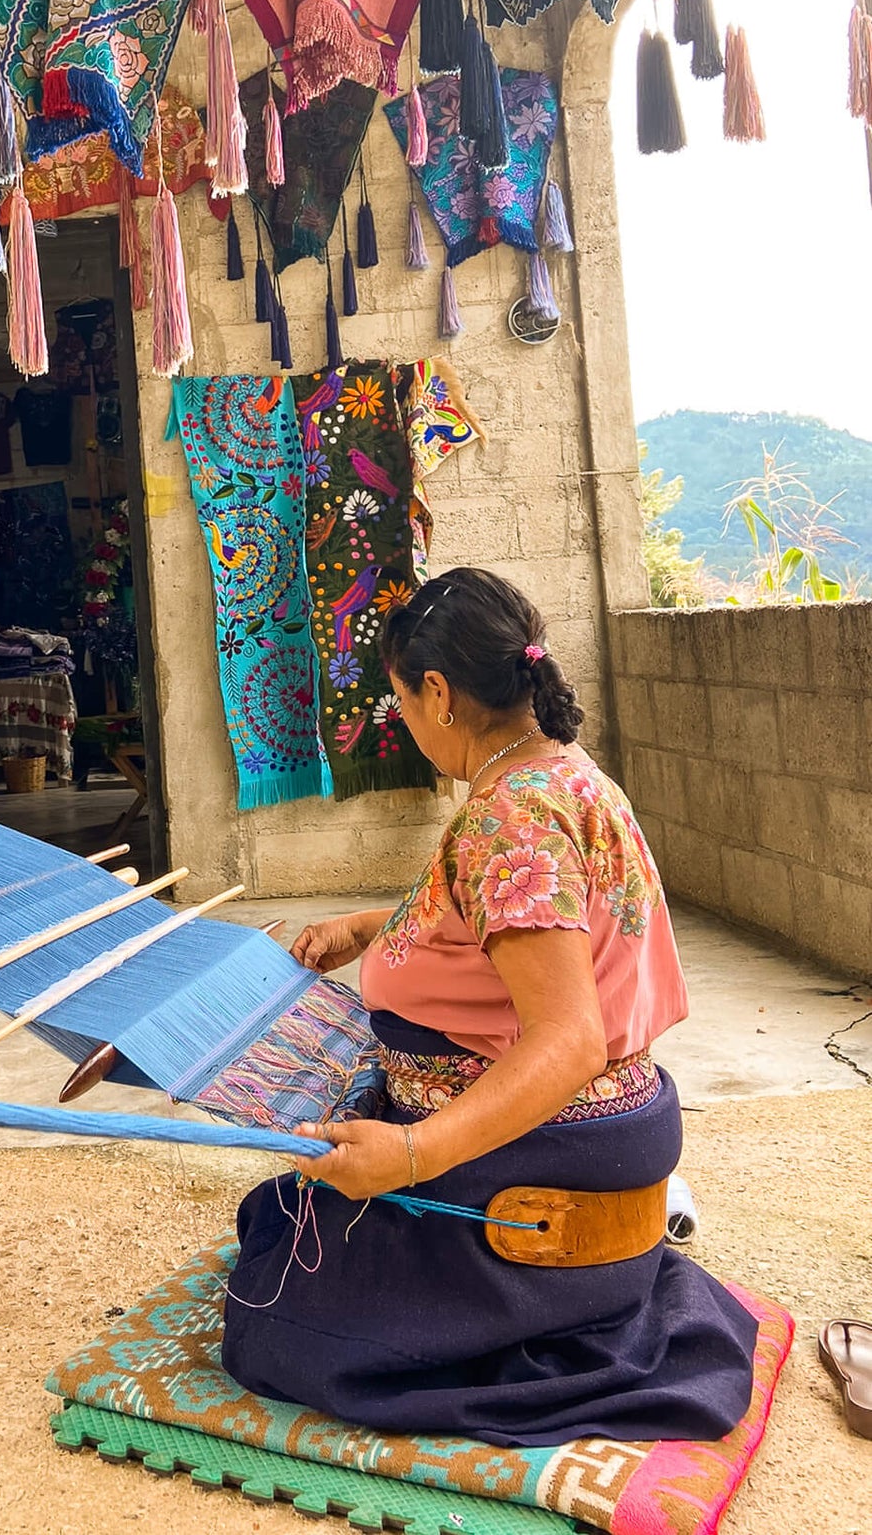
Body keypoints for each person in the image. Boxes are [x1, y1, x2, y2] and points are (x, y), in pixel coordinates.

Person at [220, 567, 758, 1447]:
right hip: (616, 1129)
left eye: (399, 702)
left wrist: (409, 1152)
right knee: (281, 1215)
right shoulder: (565, 776)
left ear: (437, 692)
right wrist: (372, 927)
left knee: (278, 1316)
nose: (403, 721)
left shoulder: (507, 817)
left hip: (539, 1162)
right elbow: (518, 919)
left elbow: (568, 1036)